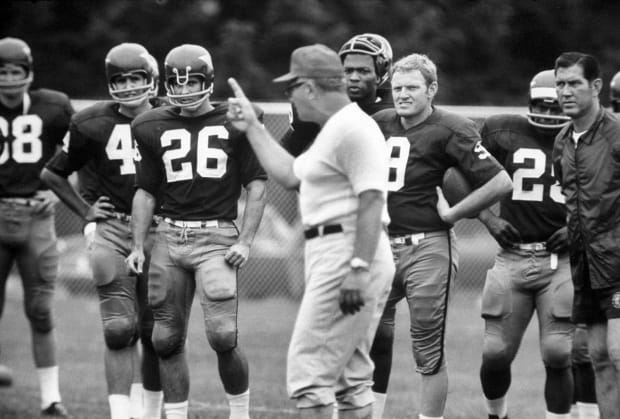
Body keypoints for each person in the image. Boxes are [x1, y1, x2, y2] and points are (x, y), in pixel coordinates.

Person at [227, 43, 395, 419]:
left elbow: (371, 201)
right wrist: (253, 128)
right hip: (338, 251)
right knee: (350, 380)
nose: (289, 97)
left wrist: (357, 267)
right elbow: (289, 175)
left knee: (309, 378)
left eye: (291, 87)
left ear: (310, 88)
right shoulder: (335, 129)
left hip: (346, 250)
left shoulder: (353, 128)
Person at [125, 43, 267, 419]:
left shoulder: (236, 120)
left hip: (217, 237)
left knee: (222, 336)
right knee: (165, 338)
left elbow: (256, 186)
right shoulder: (149, 124)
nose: (184, 90)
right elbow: (145, 190)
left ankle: (240, 414)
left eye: (192, 83)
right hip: (169, 237)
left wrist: (246, 240)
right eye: (177, 83)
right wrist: (138, 245)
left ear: (208, 82)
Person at [369, 53, 513, 419]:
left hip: (427, 247)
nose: (402, 95)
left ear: (431, 89)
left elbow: (500, 181)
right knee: (366, 337)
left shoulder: (452, 127)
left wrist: (453, 213)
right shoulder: (381, 121)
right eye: (397, 87)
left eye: (412, 88)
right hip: (379, 244)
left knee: (427, 349)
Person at [41, 42, 164, 419]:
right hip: (112, 228)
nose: (127, 86)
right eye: (120, 79)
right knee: (118, 329)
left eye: (135, 77)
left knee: (157, 333)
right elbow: (52, 173)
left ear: (152, 78)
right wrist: (87, 212)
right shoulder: (91, 122)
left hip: (161, 232)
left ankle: (152, 412)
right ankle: (121, 414)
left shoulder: (173, 117)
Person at [476, 69, 577, 419]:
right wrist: (488, 218)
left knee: (558, 352)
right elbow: (458, 174)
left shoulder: (589, 139)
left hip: (562, 261)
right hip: (512, 257)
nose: (548, 115)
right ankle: (496, 415)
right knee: (494, 352)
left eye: (555, 107)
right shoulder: (503, 131)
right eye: (541, 106)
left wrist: (578, 228)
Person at [0, 36, 73, 417]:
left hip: (36, 217)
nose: (9, 79)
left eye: (17, 71)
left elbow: (79, 152)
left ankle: (50, 397)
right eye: (3, 72)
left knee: (42, 309)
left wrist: (60, 191)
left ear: (29, 73)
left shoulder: (54, 106)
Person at [552, 51, 620, 419]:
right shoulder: (562, 140)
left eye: (574, 83)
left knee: (619, 352)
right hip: (585, 267)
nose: (565, 91)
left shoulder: (616, 134)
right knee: (599, 358)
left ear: (595, 86)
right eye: (560, 83)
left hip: (618, 265)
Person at [281, 33, 393, 157]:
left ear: (380, 73)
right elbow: (285, 156)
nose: (354, 78)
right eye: (348, 71)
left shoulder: (395, 111)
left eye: (363, 71)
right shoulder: (321, 107)